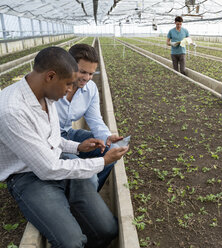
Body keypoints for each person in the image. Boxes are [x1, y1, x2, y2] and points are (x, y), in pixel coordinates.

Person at [0, 46, 128, 248]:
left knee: (107, 230)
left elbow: (52, 139)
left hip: (59, 162)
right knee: (72, 242)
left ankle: (74, 216)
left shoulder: (46, 93)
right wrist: (102, 161)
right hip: (29, 177)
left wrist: (78, 148)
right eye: (68, 84)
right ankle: (67, 221)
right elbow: (48, 168)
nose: (71, 90)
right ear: (51, 76)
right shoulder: (11, 111)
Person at [55, 44, 123, 192]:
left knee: (110, 151)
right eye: (82, 72)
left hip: (69, 133)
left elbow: (95, 119)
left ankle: (89, 196)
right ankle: (80, 196)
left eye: (91, 74)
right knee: (77, 167)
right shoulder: (52, 87)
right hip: (51, 140)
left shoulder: (90, 89)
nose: (87, 78)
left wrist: (108, 138)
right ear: (68, 65)